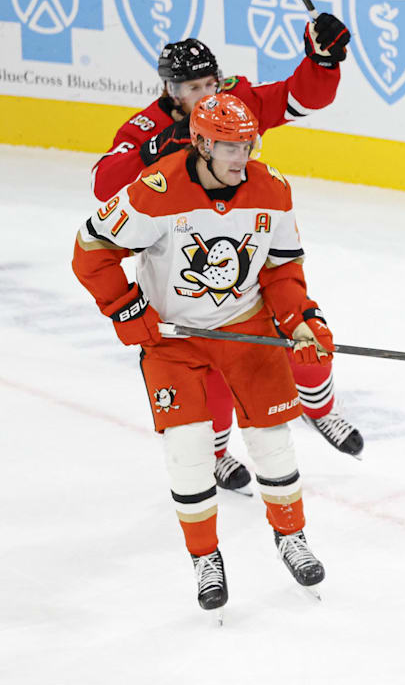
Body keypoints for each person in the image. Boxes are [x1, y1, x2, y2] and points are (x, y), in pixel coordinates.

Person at [72, 94, 330, 612]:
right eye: (231, 148)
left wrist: (300, 319)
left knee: (272, 441)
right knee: (188, 452)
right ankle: (205, 557)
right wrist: (126, 307)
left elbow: (281, 269)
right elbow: (90, 251)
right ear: (202, 143)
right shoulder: (154, 192)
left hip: (246, 327)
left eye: (248, 145)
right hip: (174, 339)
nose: (243, 156)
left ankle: (291, 537)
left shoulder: (273, 189)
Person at [91, 20, 363, 495]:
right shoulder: (146, 127)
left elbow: (298, 97)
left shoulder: (234, 106)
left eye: (210, 83)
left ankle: (321, 409)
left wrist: (322, 61)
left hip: (246, 252)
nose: (205, 94)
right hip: (185, 270)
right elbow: (102, 184)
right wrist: (150, 152)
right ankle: (215, 454)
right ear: (170, 90)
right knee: (209, 376)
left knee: (303, 329)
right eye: (193, 87)